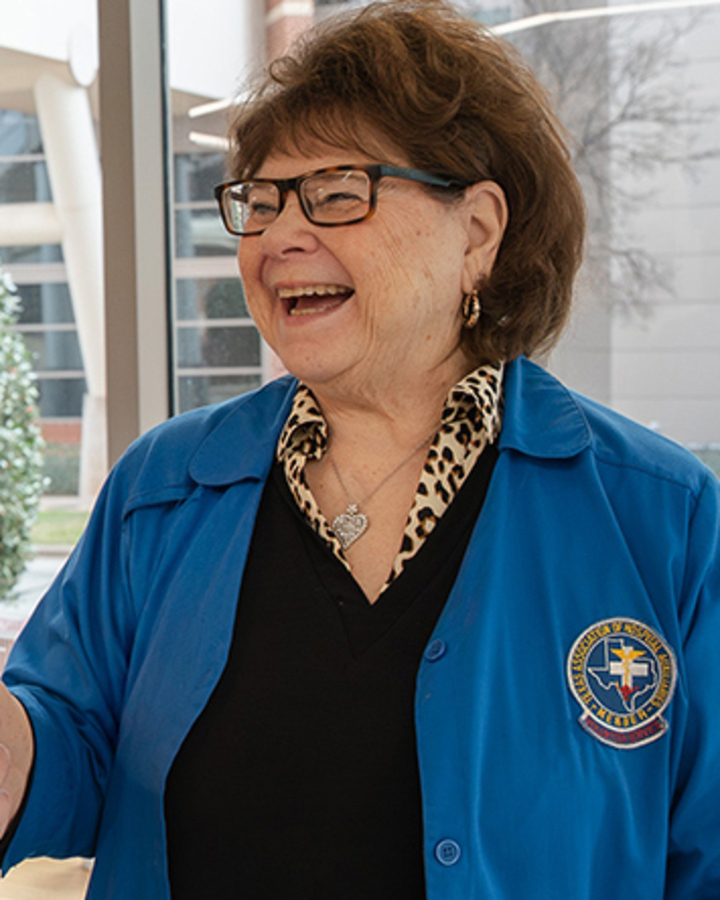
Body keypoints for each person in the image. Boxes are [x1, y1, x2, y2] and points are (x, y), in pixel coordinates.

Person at [1, 1, 719, 897]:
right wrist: (14, 746)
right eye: (259, 201)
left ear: (480, 231)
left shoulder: (665, 519)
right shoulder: (162, 488)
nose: (277, 237)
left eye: (339, 191)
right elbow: (71, 742)